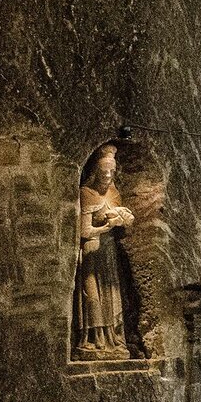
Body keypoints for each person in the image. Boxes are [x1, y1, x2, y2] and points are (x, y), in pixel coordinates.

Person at [75, 144, 136, 358]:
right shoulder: (86, 193)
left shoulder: (114, 193)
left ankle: (113, 338)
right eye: (104, 172)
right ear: (96, 171)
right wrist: (107, 226)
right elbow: (84, 231)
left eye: (112, 172)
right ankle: (93, 339)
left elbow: (123, 223)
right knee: (92, 294)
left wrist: (123, 218)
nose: (108, 176)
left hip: (109, 251)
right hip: (92, 249)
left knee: (112, 295)